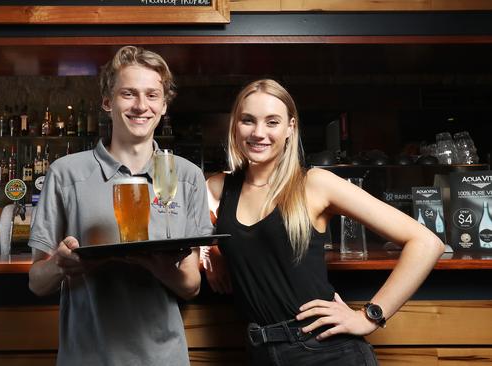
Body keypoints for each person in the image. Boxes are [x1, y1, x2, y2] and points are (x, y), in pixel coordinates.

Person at [202, 79, 445, 365]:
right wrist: (213, 250)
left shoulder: (314, 183)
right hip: (261, 352)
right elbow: (182, 219)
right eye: (247, 120)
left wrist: (370, 316)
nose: (259, 133)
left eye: (272, 122)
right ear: (235, 125)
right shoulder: (219, 187)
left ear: (290, 128)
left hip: (325, 351)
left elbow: (427, 243)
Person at [28, 45, 213, 366]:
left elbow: (191, 286)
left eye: (153, 95)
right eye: (128, 94)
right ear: (107, 101)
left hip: (163, 359)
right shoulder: (66, 173)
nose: (141, 106)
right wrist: (61, 264)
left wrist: (151, 263)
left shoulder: (187, 176)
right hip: (85, 358)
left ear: (164, 104)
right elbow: (36, 282)